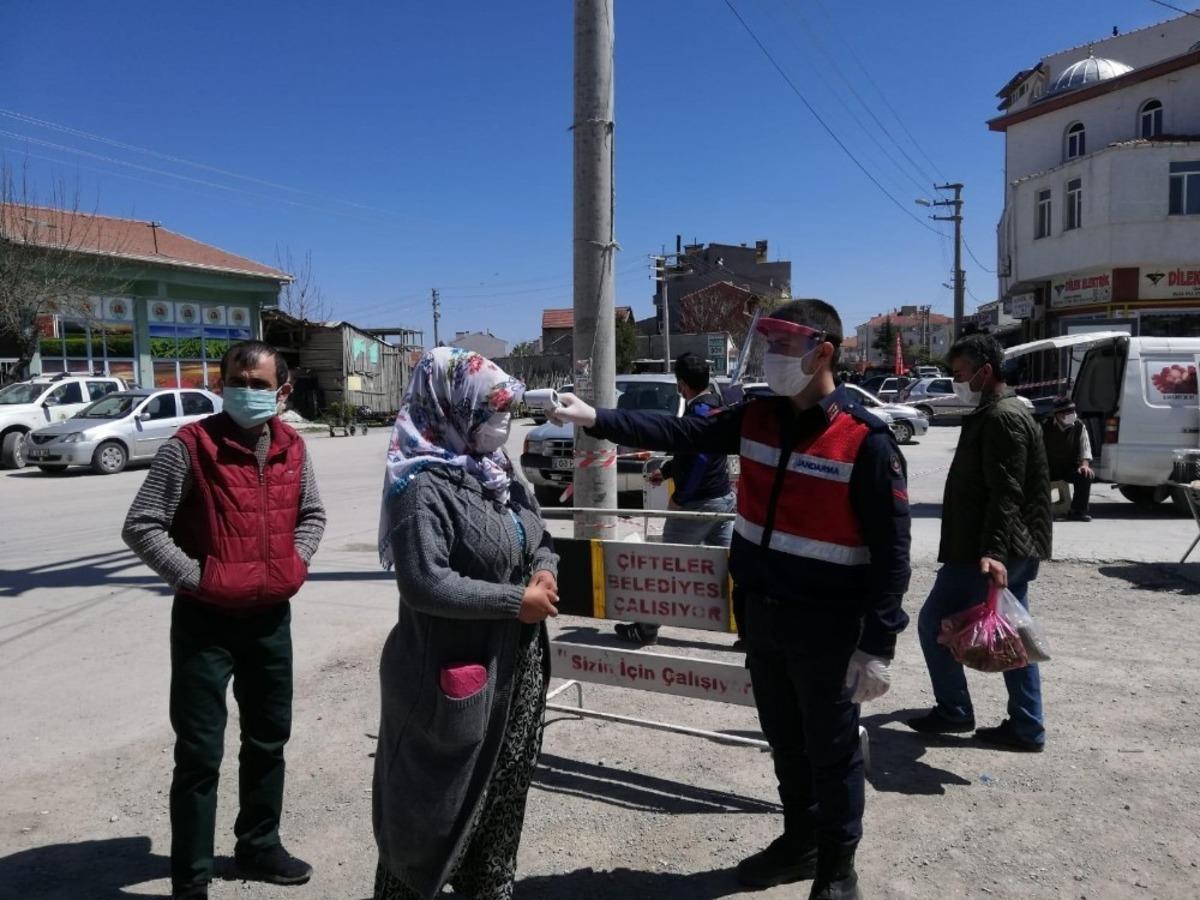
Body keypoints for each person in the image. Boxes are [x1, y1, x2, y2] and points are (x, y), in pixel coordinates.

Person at [552, 300, 911, 900]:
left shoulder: (865, 440)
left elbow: (892, 555)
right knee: (786, 742)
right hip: (762, 617)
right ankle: (801, 842)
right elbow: (681, 433)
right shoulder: (757, 417)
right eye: (767, 345)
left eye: (782, 346)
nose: (771, 358)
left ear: (823, 351)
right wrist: (597, 417)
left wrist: (879, 645)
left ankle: (837, 868)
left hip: (827, 629)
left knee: (832, 751)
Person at [122, 341, 327, 900]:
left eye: (260, 385)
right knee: (199, 753)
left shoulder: (292, 448)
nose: (247, 392)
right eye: (237, 381)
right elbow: (142, 524)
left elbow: (312, 514)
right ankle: (191, 877)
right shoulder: (190, 447)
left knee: (268, 740)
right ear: (220, 384)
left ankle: (259, 846)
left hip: (269, 621)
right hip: (205, 622)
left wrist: (294, 562)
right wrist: (197, 578)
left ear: (283, 392)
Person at [373, 347, 559, 900]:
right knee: (430, 819)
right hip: (450, 674)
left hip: (518, 670)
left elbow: (537, 535)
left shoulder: (497, 470)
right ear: (451, 406)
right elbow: (424, 582)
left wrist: (545, 568)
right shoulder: (420, 485)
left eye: (505, 409)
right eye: (491, 409)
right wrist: (515, 601)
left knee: (502, 798)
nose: (502, 420)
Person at [907, 333, 1052, 753]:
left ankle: (954, 711)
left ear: (985, 372)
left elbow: (1006, 492)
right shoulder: (999, 412)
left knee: (934, 623)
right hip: (1007, 546)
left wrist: (993, 552)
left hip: (984, 550)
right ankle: (1027, 725)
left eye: (960, 374)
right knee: (1012, 633)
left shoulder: (1002, 417)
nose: (956, 382)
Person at [616, 351, 734, 646]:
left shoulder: (699, 412)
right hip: (723, 500)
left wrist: (680, 497)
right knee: (733, 571)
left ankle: (645, 629)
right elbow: (692, 454)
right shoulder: (716, 406)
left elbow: (701, 459)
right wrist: (667, 471)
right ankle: (750, 635)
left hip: (697, 506)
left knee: (665, 566)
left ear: (682, 383)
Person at [1042, 397, 1094, 522]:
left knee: (1085, 475)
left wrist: (1084, 465)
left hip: (1068, 467)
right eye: (1067, 412)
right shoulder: (1045, 426)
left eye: (1072, 411)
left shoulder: (1079, 426)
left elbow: (1085, 449)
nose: (1071, 414)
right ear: (1058, 414)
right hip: (1048, 467)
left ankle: (1078, 511)